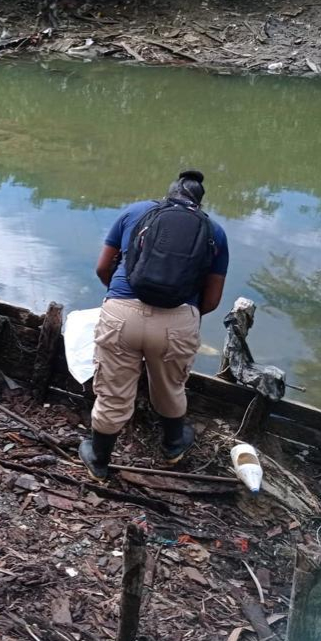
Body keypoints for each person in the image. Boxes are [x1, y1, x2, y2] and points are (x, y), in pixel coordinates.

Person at [80, 169, 229, 480]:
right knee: (171, 386)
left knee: (112, 392)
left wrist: (120, 298)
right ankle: (174, 446)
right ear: (199, 203)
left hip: (122, 313)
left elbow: (103, 268)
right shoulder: (214, 232)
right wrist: (182, 318)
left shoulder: (135, 212)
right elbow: (212, 299)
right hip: (177, 320)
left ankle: (99, 459)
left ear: (169, 194)